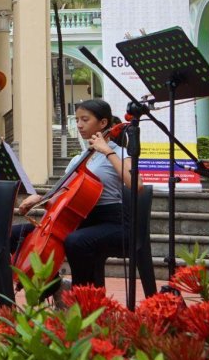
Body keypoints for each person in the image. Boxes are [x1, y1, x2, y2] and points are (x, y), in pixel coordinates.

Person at [12, 99, 132, 288]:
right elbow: (65, 194)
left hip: (112, 222)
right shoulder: (79, 158)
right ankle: (54, 288)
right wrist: (42, 200)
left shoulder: (119, 153)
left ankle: (82, 296)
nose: (79, 125)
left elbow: (136, 184)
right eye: (77, 120)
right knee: (15, 234)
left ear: (103, 123)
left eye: (85, 119)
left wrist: (107, 151)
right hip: (81, 220)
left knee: (76, 241)